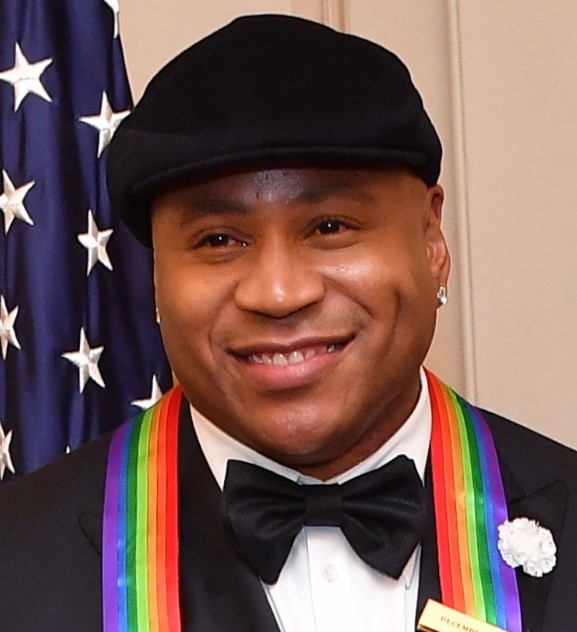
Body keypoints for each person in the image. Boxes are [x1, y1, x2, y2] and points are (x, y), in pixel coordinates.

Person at [1, 13, 576, 632]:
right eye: (219, 239)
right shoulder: (17, 563)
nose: (278, 294)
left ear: (431, 239)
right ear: (156, 276)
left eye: (330, 227)